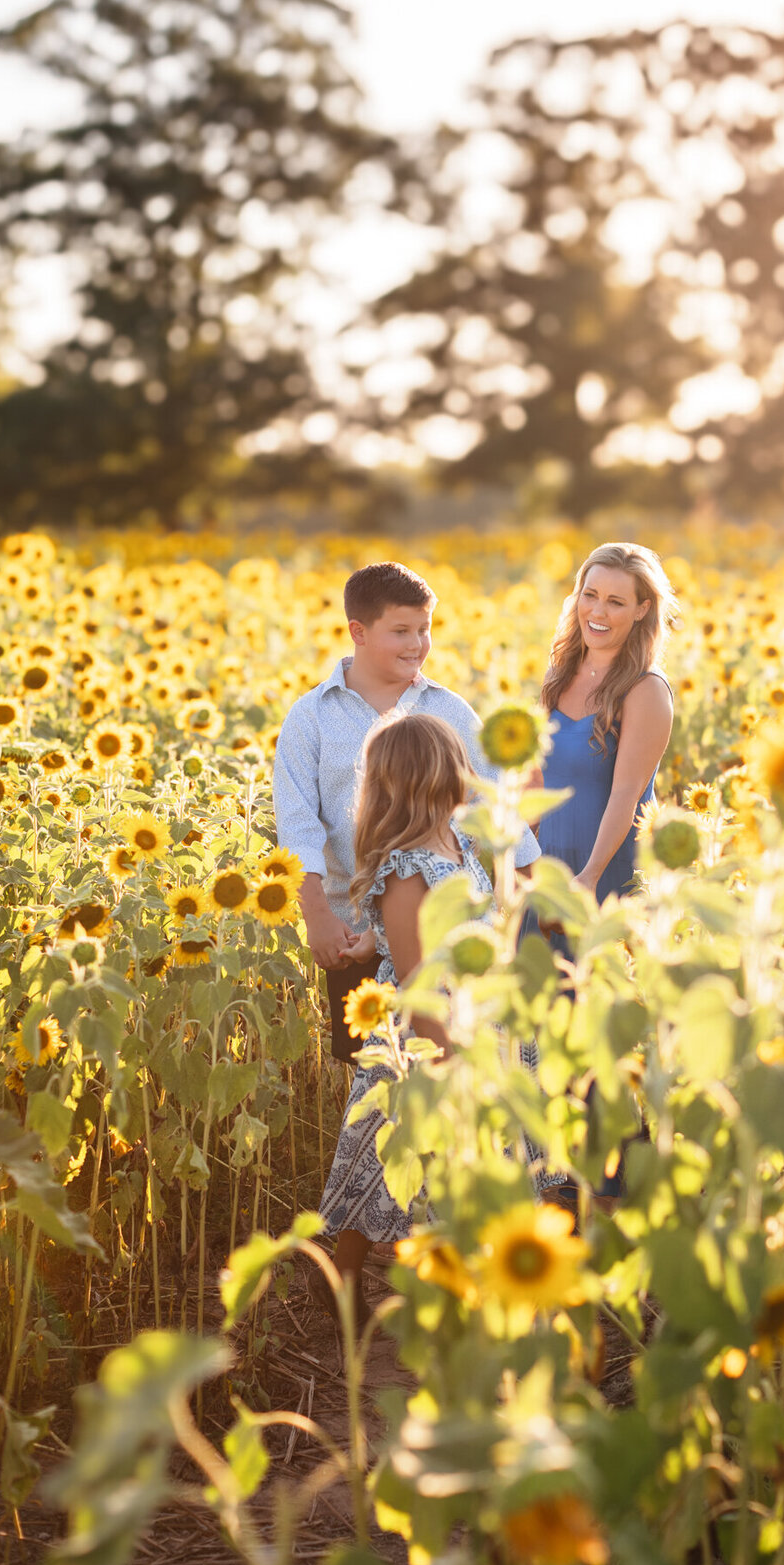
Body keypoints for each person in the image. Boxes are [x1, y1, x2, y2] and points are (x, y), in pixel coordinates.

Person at [272, 561, 539, 1064]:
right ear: (359, 632)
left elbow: (496, 804)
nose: (417, 644)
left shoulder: (449, 709)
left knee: (458, 1052)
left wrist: (532, 894)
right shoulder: (312, 717)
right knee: (377, 1065)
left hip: (448, 927)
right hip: (354, 928)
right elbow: (299, 825)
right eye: (401, 631)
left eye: (425, 629)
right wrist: (319, 918)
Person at [316, 714, 491, 1327]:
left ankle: (452, 1288)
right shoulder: (407, 867)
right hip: (418, 1038)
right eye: (457, 763)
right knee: (378, 1164)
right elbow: (417, 978)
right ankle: (341, 1279)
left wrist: (370, 941)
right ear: (435, 777)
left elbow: (412, 934)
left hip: (469, 1017)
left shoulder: (456, 843)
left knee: (443, 1167)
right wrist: (443, 1055)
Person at [538, 542, 677, 902]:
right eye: (590, 595)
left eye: (616, 602)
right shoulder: (559, 674)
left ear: (641, 610)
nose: (597, 611)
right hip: (545, 871)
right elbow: (533, 778)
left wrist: (590, 876)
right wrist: (516, 860)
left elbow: (625, 794)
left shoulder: (646, 690)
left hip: (603, 875)